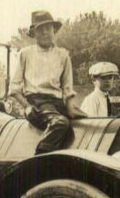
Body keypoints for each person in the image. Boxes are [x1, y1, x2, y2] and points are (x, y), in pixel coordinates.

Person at [9, 10, 87, 154]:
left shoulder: (63, 55)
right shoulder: (26, 54)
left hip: (57, 105)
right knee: (60, 123)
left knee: (88, 122)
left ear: (54, 30)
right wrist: (26, 107)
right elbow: (14, 87)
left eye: (48, 28)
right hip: (36, 103)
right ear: (34, 33)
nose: (45, 32)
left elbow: (67, 87)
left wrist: (70, 109)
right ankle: (38, 161)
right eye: (40, 29)